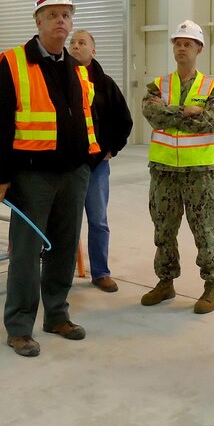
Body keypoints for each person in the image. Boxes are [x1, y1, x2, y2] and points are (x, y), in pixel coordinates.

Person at [0, 0, 101, 357]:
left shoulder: (75, 66)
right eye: (52, 15)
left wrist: (91, 159)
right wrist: (0, 174)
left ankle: (56, 315)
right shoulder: (15, 62)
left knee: (65, 248)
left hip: (74, 173)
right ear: (38, 21)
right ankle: (19, 326)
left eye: (66, 14)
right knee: (26, 251)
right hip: (33, 175)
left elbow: (86, 117)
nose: (60, 21)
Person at [140, 20, 214, 314]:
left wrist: (170, 114)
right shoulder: (158, 85)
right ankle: (165, 282)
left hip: (200, 172)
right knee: (163, 229)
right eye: (177, 43)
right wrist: (185, 111)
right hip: (163, 171)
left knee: (204, 231)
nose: (181, 48)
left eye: (187, 43)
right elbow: (151, 114)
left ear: (199, 48)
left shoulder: (212, 87)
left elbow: (209, 121)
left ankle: (212, 286)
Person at [68, 29, 134, 293]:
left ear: (93, 51)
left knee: (98, 221)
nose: (75, 46)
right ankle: (60, 274)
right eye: (72, 42)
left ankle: (100, 272)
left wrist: (111, 149)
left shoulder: (105, 83)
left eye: (82, 42)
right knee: (66, 224)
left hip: (96, 167)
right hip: (68, 167)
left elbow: (124, 121)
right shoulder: (59, 80)